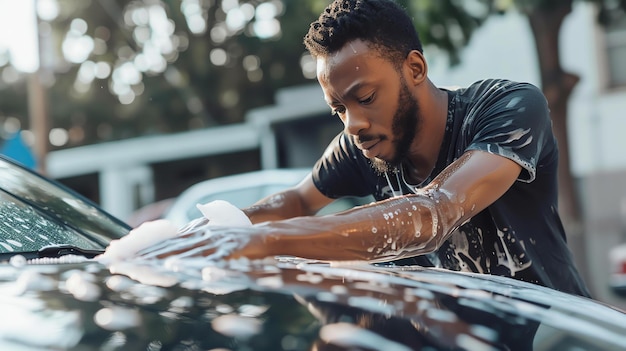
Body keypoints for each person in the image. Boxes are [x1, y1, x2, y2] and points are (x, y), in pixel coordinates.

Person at [134, 0, 590, 298]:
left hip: (556, 333)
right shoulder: (362, 146)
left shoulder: (507, 107)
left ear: (414, 67)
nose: (353, 123)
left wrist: (258, 242)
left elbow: (433, 212)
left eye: (365, 98)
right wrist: (219, 226)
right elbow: (295, 200)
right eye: (338, 109)